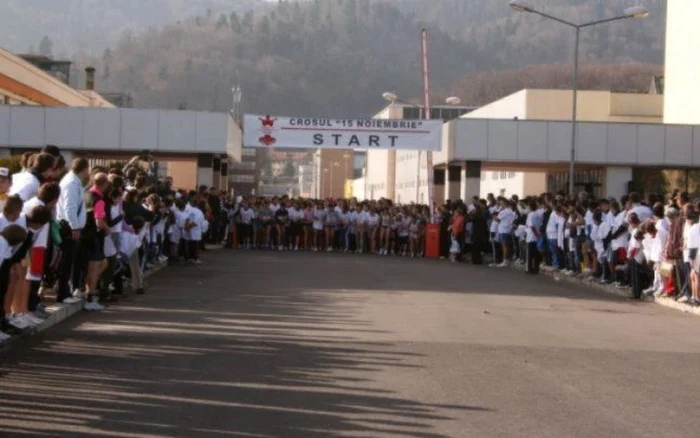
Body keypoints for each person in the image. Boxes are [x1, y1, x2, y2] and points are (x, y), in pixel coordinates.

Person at [57, 158, 89, 304]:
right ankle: (63, 294)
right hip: (68, 228)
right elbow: (70, 207)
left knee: (69, 262)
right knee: (66, 262)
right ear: (84, 169)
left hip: (69, 226)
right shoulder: (71, 183)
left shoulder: (73, 181)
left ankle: (65, 292)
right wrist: (74, 227)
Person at [83, 173, 111, 311]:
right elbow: (99, 221)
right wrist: (107, 228)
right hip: (94, 236)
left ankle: (86, 288)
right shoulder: (99, 200)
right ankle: (90, 296)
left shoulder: (86, 194)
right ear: (105, 185)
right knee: (95, 267)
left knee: (99, 264)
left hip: (84, 233)